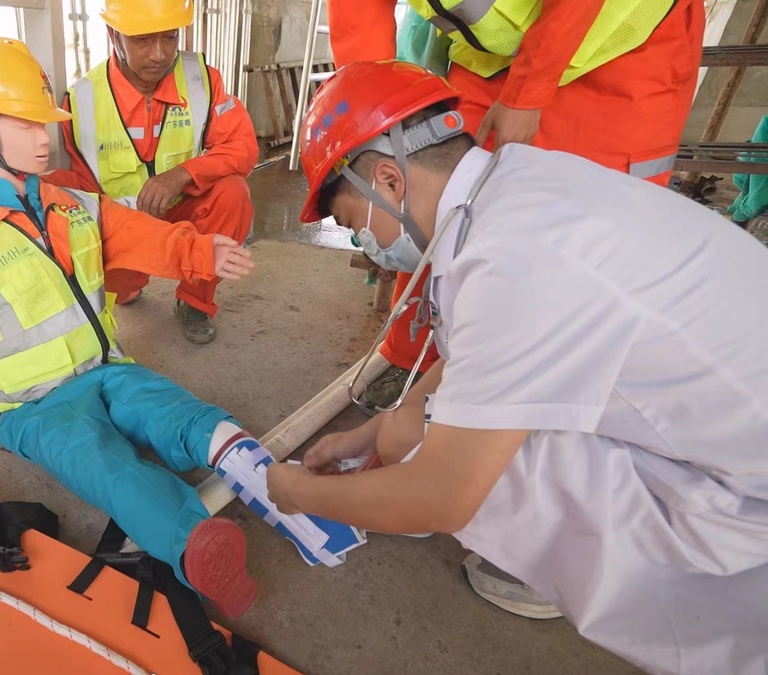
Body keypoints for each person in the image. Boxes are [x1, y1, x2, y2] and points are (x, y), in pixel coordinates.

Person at [267, 61, 768, 674]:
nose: (364, 244)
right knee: (409, 429)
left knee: (458, 461)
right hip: (731, 418)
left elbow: (442, 498)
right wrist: (367, 433)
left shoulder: (512, 261)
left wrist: (300, 491)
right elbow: (473, 356)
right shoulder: (515, 185)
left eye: (352, 224)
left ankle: (652, 594)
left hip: (749, 496)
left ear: (390, 181)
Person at [0, 37, 275, 616]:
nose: (44, 139)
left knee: (166, 404)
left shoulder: (74, 205)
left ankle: (239, 454)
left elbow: (141, 235)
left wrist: (199, 253)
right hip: (26, 407)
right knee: (102, 465)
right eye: (26, 125)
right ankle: (195, 545)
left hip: (102, 367)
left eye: (46, 124)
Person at [325, 0, 704, 404]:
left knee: (574, 251)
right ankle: (418, 361)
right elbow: (357, 12)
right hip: (489, 54)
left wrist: (528, 92)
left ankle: (542, 397)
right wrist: (372, 129)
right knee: (443, 203)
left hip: (619, 47)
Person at [48, 0, 258, 344]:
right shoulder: (82, 101)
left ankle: (194, 300)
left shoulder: (201, 79)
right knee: (109, 277)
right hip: (124, 223)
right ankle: (127, 286)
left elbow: (242, 147)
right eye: (143, 40)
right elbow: (80, 195)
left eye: (170, 37)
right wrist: (126, 228)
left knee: (232, 192)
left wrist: (182, 175)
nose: (159, 54)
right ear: (113, 34)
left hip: (181, 207)